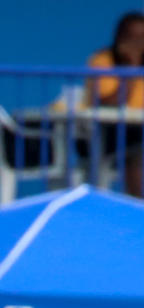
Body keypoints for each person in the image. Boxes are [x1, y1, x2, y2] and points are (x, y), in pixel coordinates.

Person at [85, 12, 144, 196]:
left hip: (140, 128)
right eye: (131, 37)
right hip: (109, 131)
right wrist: (131, 69)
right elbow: (108, 104)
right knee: (135, 151)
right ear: (119, 38)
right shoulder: (103, 61)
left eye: (141, 38)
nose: (137, 44)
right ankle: (138, 207)